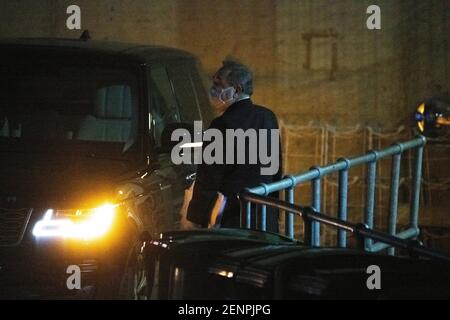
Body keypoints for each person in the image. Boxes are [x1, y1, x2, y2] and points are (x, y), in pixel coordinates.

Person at [185, 60, 281, 232]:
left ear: (236, 90)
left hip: (232, 217)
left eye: (218, 84)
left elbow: (209, 177)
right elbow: (275, 169)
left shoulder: (222, 125)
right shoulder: (268, 117)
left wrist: (196, 217)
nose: (213, 89)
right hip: (264, 213)